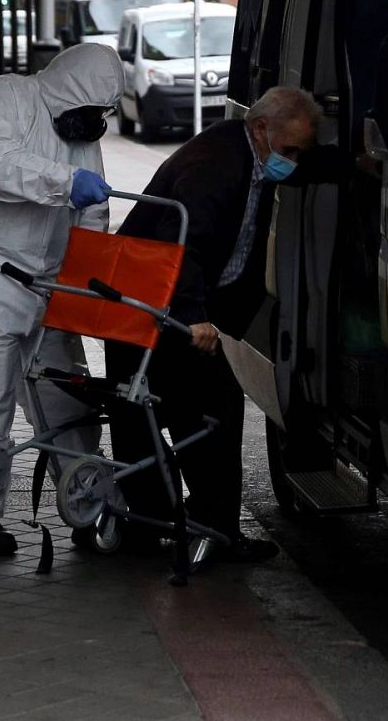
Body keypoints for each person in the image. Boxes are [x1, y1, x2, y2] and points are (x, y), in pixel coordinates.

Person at [105, 87, 320, 563]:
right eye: (289, 151)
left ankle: (197, 525)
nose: (293, 162)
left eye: (300, 153)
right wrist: (194, 318)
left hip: (167, 307)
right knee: (177, 410)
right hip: (150, 307)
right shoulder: (214, 167)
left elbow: (306, 165)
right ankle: (177, 525)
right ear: (262, 129)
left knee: (190, 413)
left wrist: (360, 165)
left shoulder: (252, 150)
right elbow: (183, 248)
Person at [0, 43, 122, 556]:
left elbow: (92, 218)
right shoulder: (3, 98)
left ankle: (87, 504)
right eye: (92, 109)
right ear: (69, 91)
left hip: (48, 286)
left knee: (66, 402)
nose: (96, 122)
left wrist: (87, 288)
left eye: (105, 113)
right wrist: (64, 182)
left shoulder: (81, 139)